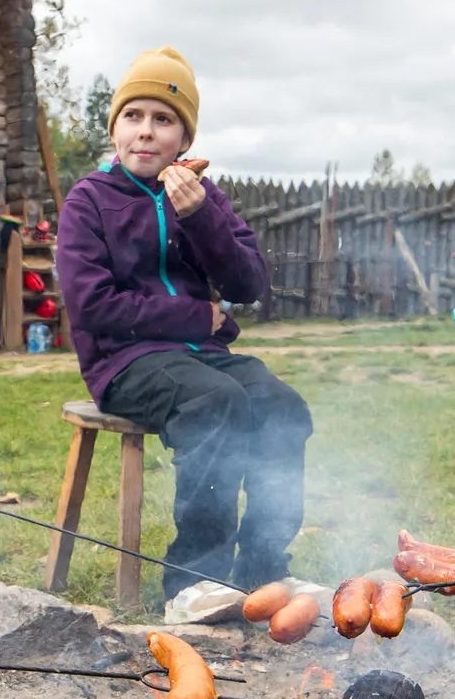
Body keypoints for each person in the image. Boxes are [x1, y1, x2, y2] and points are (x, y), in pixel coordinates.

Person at [56, 48, 318, 624]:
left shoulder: (203, 196)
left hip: (201, 357)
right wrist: (198, 317)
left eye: (163, 120)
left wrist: (202, 219)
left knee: (283, 406)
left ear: (184, 138)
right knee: (215, 402)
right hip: (124, 362)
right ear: (116, 127)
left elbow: (248, 283)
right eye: (133, 116)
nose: (146, 133)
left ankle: (264, 568)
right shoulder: (90, 201)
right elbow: (93, 306)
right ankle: (192, 581)